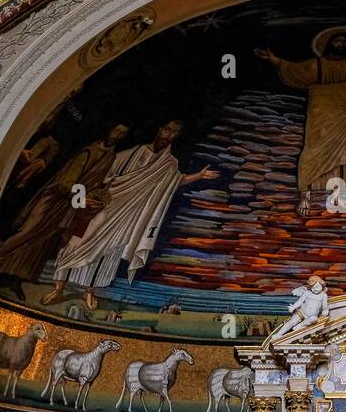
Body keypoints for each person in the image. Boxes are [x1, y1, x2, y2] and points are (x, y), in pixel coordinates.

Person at [42, 121, 217, 309]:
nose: (170, 135)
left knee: (108, 252)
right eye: (167, 130)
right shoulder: (131, 153)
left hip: (129, 216)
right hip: (104, 208)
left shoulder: (169, 164)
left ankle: (90, 291)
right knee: (76, 243)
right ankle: (59, 287)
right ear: (159, 129)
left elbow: (174, 181)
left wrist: (198, 176)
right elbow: (104, 174)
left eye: (175, 133)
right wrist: (87, 197)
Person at [256, 27, 346, 217]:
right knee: (314, 152)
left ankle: (340, 194)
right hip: (324, 113)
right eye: (337, 41)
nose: (341, 44)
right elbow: (296, 71)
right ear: (329, 43)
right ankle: (305, 194)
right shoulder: (317, 64)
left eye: (345, 42)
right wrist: (274, 60)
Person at [0, 124, 128, 285]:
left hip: (70, 206)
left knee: (43, 243)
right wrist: (82, 198)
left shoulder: (110, 158)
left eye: (122, 134)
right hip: (55, 199)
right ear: (109, 130)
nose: (117, 135)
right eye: (116, 131)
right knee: (29, 230)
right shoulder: (89, 152)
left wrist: (94, 200)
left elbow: (98, 185)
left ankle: (15, 279)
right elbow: (66, 182)